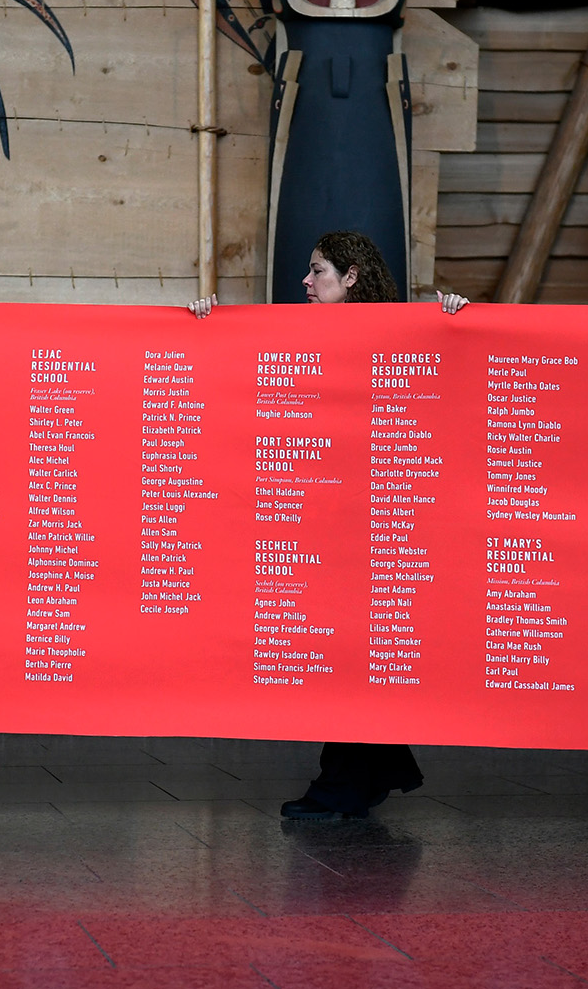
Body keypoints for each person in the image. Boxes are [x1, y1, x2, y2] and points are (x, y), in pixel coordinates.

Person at [192, 231, 467, 819]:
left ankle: (341, 785)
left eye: (317, 271)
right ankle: (368, 777)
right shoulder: (304, 334)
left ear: (351, 279)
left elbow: (457, 386)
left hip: (380, 525)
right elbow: (241, 363)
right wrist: (205, 325)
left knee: (353, 656)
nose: (305, 281)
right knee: (353, 655)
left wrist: (458, 320)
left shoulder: (408, 337)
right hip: (335, 523)